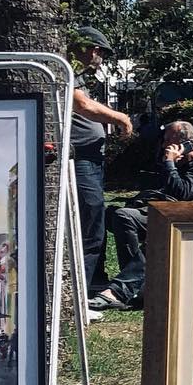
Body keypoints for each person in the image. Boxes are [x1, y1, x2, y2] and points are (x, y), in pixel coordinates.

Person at [91, 119, 193, 310]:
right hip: (164, 213)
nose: (164, 144)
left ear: (185, 144)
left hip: (184, 222)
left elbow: (181, 193)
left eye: (168, 140)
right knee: (104, 214)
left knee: (125, 217)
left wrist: (169, 163)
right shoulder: (178, 162)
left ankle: (130, 286)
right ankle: (111, 279)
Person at [69, 26, 133, 298]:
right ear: (92, 49)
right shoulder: (68, 71)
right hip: (80, 157)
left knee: (94, 219)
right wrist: (120, 118)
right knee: (89, 219)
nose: (100, 59)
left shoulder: (79, 76)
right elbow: (82, 105)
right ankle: (80, 290)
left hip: (91, 157)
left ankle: (93, 278)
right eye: (101, 53)